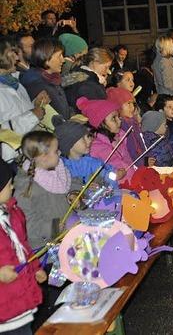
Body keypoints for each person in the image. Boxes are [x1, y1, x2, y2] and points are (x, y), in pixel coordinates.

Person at [0, 159, 47, 335]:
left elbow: (23, 247)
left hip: (20, 297)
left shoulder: (12, 214)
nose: (12, 188)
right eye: (8, 185)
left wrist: (35, 268)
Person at [13, 131, 71, 250]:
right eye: (56, 151)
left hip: (67, 231)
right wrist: (52, 228)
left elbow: (70, 183)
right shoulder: (26, 187)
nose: (59, 153)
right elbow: (26, 223)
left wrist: (74, 193)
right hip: (47, 247)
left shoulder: (54, 167)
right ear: (44, 157)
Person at [0, 40, 47, 164]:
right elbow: (2, 131)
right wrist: (32, 116)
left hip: (31, 151)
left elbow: (17, 112)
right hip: (13, 159)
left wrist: (35, 104)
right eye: (12, 53)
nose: (17, 58)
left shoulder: (15, 83)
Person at [77, 97, 135, 181]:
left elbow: (129, 161)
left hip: (133, 181)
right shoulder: (95, 148)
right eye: (114, 118)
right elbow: (99, 176)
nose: (119, 121)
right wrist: (114, 176)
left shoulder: (119, 137)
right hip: (117, 189)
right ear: (100, 124)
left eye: (118, 117)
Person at [54, 120, 123, 188]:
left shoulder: (92, 162)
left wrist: (115, 175)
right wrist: (84, 187)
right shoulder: (62, 170)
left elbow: (106, 174)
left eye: (88, 136)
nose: (89, 140)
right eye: (83, 139)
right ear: (70, 144)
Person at [20, 38, 72, 120]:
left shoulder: (52, 78)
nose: (63, 60)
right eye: (59, 56)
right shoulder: (37, 85)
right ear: (46, 58)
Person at [107, 87, 145, 162]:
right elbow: (131, 151)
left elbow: (141, 144)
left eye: (133, 103)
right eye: (128, 103)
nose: (132, 107)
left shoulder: (133, 122)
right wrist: (144, 162)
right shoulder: (122, 127)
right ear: (118, 105)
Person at [152, 34, 173, 99]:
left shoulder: (158, 60)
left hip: (165, 94)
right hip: (172, 96)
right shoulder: (164, 62)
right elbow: (168, 83)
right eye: (171, 44)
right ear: (167, 46)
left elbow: (157, 81)